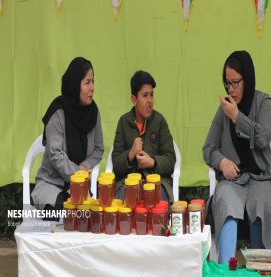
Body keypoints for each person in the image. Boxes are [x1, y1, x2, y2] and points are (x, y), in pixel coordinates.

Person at [202, 50, 271, 264]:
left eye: (236, 83)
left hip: (260, 178)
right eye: (227, 84)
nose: (231, 89)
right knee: (225, 198)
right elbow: (208, 147)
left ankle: (260, 269)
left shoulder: (263, 102)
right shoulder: (223, 108)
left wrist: (237, 117)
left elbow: (263, 138)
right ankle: (227, 271)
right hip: (233, 180)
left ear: (248, 79)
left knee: (260, 203)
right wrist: (222, 161)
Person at [31, 57, 104, 217]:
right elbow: (55, 154)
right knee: (62, 212)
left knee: (85, 215)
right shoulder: (58, 112)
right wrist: (77, 172)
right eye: (87, 82)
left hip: (78, 186)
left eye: (93, 81)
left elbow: (99, 148)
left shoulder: (93, 112)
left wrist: (84, 167)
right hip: (51, 183)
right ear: (74, 84)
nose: (92, 87)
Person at [112, 70, 176, 202]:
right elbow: (116, 166)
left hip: (157, 182)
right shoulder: (124, 122)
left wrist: (152, 162)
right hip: (128, 183)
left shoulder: (159, 121)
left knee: (158, 205)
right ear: (134, 99)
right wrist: (130, 154)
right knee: (121, 205)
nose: (150, 101)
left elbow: (170, 161)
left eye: (152, 95)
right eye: (145, 95)